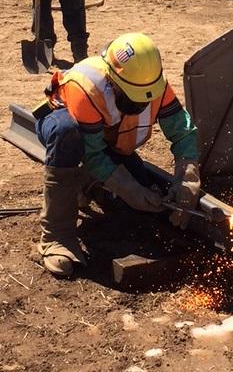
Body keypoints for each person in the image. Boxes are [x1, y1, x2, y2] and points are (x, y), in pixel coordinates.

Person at [33, 32, 202, 278]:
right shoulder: (87, 85)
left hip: (110, 138)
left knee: (146, 194)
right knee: (67, 133)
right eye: (132, 96)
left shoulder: (155, 84)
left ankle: (89, 185)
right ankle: (56, 236)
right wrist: (128, 189)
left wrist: (187, 180)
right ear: (112, 80)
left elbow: (183, 133)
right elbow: (92, 153)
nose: (140, 105)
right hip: (66, 130)